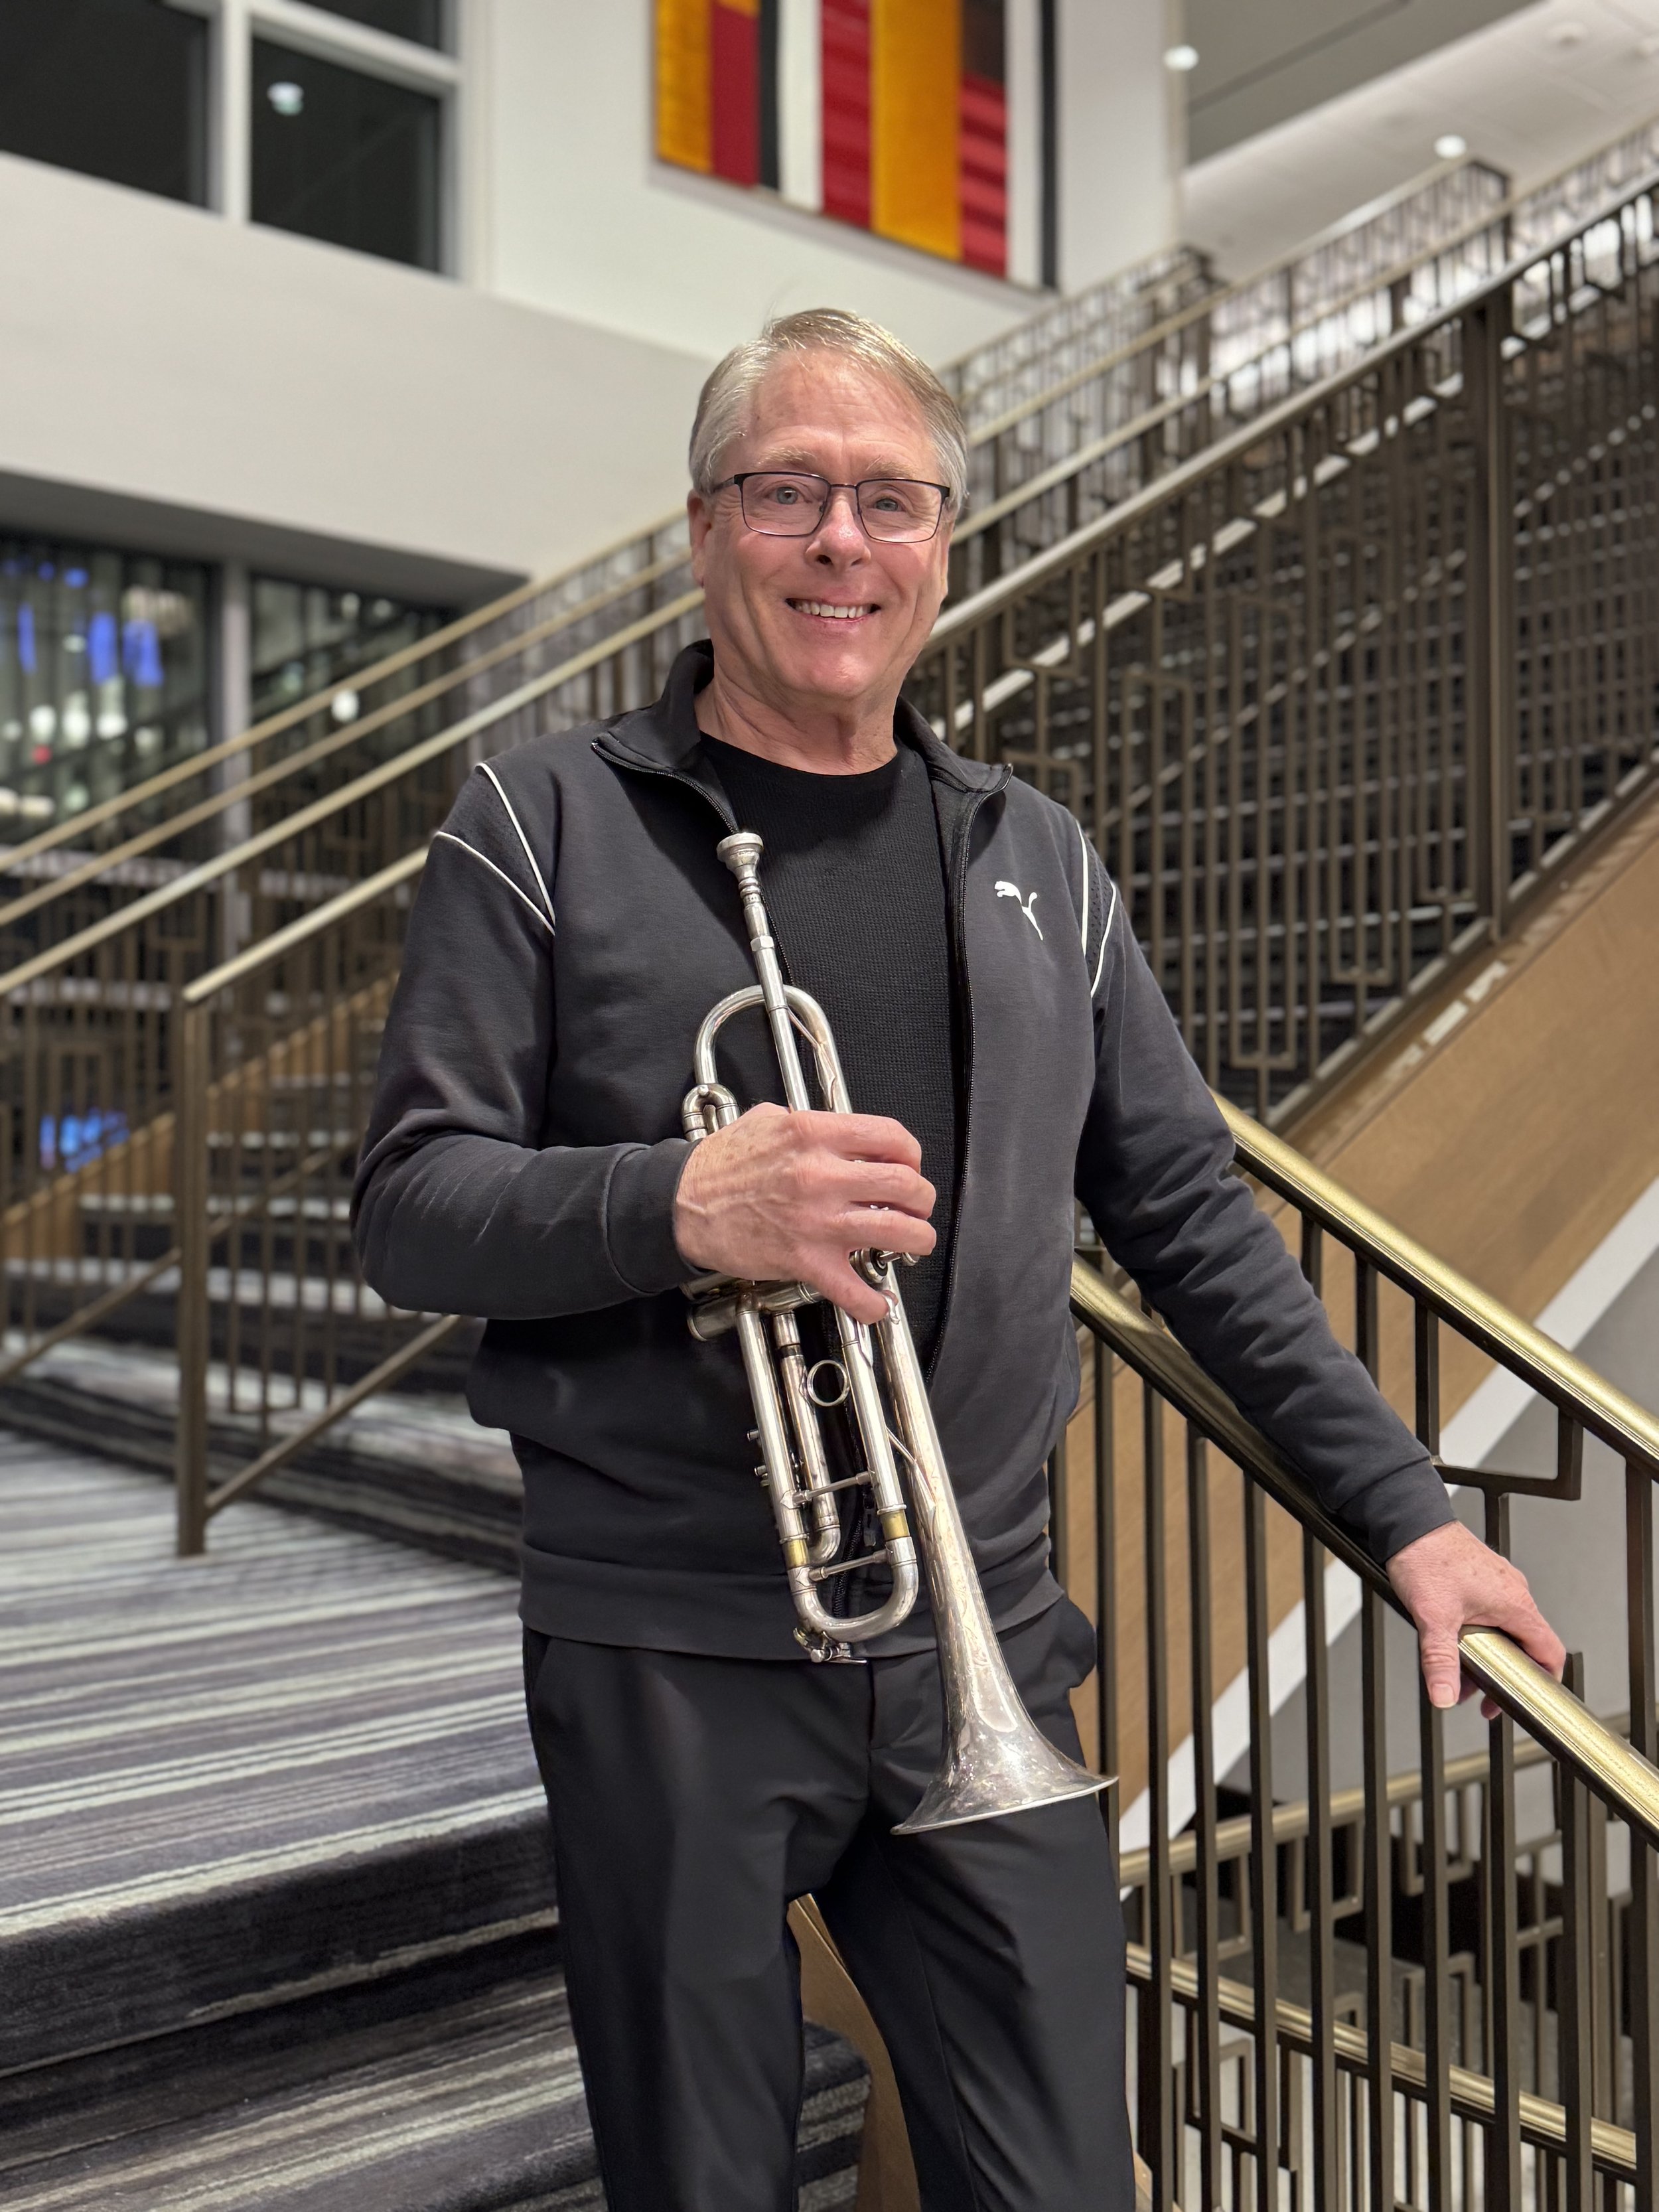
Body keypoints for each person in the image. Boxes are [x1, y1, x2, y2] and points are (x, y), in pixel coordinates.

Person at [353, 307, 1563, 2212]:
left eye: (889, 501)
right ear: (702, 531)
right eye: (790, 492)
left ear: (943, 545)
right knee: (708, 2180)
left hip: (979, 1641)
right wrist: (679, 1208)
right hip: (666, 1650)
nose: (843, 540)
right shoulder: (545, 820)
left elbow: (1186, 1220)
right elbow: (411, 1204)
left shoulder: (1039, 863)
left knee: (1061, 2178)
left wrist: (1406, 1517)